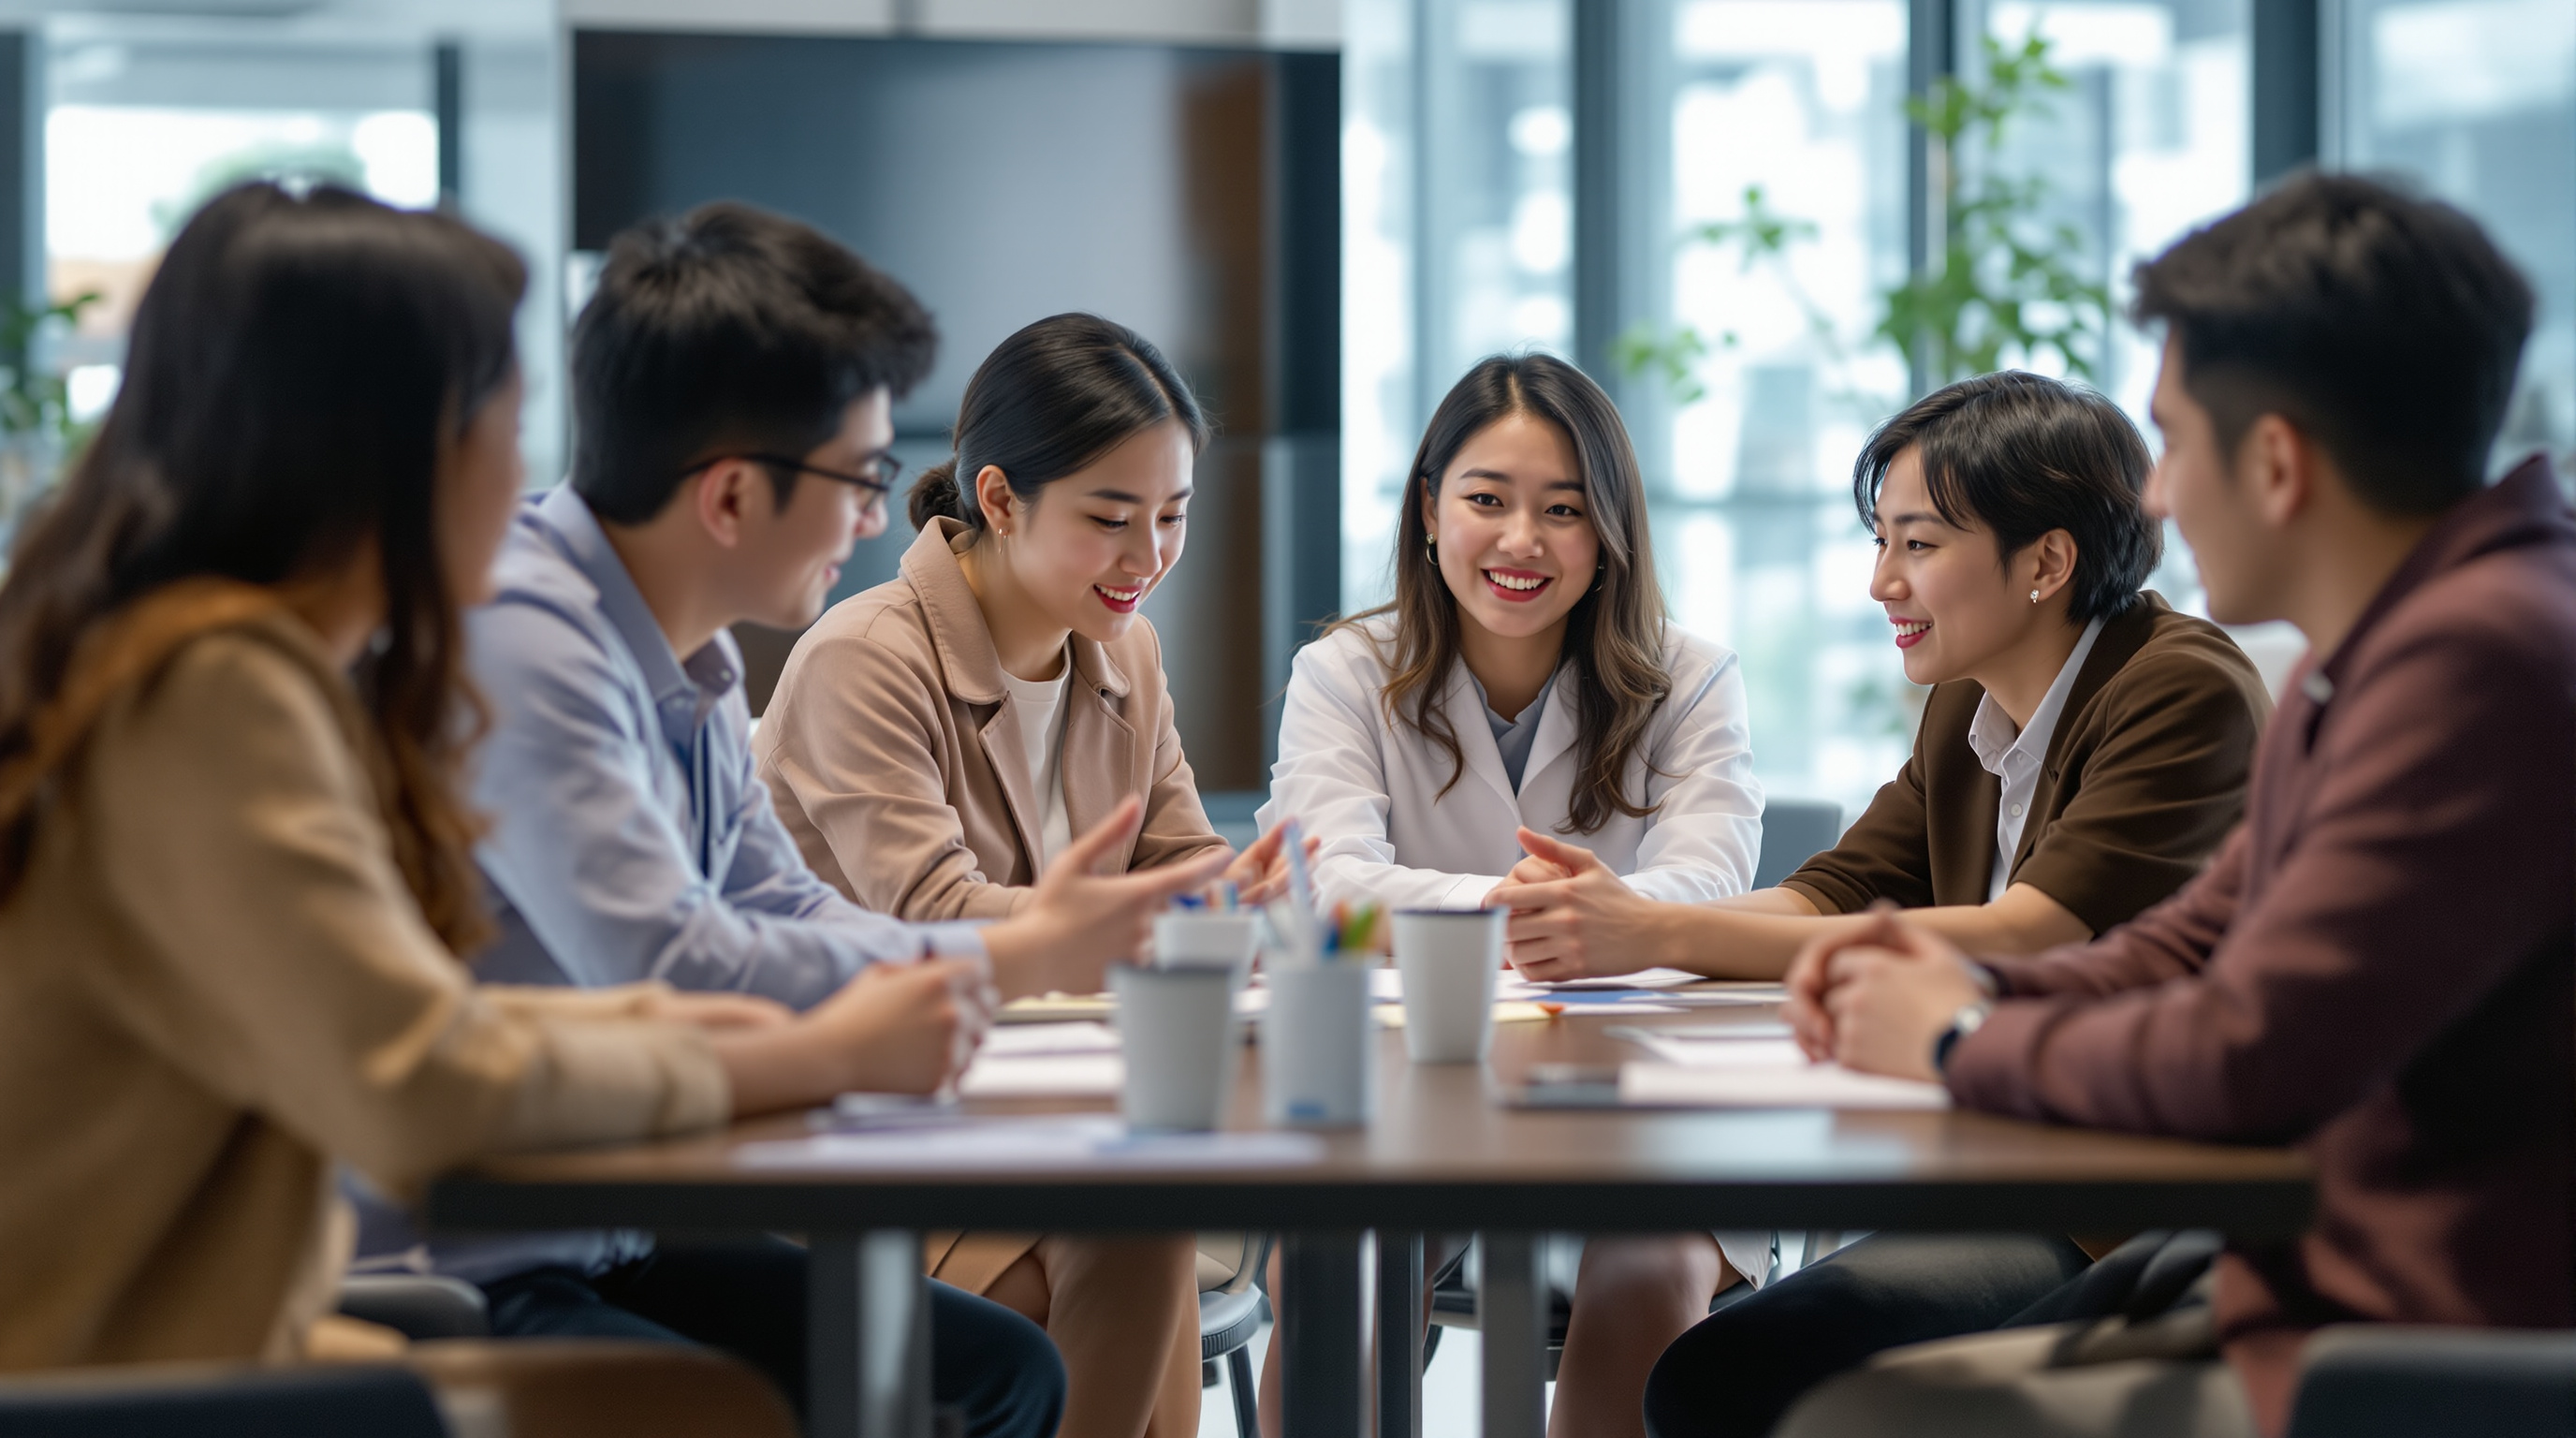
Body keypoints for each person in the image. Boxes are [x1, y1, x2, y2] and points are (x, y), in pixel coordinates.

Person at [0, 183, 1063, 1437]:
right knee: (714, 1412)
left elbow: (423, 1018)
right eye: (504, 420)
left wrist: (700, 1027)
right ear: (393, 450)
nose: (525, 475)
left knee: (935, 1373)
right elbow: (416, 1081)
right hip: (128, 1366)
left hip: (194, 1323)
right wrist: (809, 1052)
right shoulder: (217, 691)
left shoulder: (192, 662)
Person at [351, 206, 1222, 1432]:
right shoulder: (529, 644)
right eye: (861, 480)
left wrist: (1021, 948)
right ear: (730, 493)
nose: (878, 518)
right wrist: (1023, 951)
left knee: (1001, 1370)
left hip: (610, 1221)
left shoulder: (688, 651)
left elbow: (776, 906)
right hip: (462, 1250)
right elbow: (669, 958)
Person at [1752, 172, 2571, 1438]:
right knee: (1793, 1378)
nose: (2159, 499)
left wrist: (1957, 1040)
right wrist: (1947, 990)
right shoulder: (2379, 650)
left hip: (2417, 1331)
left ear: (2280, 462)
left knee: (1845, 1412)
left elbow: (2251, 1047)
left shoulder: (2482, 661)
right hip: (2293, 1271)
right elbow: (2193, 941)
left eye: (2175, 442)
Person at [1520, 372, 2274, 1438]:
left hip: (2129, 1219)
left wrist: (1655, 931)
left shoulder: (2179, 686)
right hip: (2001, 1172)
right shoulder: (1969, 702)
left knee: (1723, 1379)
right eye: (1881, 542)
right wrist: (1633, 928)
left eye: (1917, 545)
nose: (1882, 582)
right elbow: (1833, 891)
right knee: (1713, 1370)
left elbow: (2032, 929)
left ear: (2046, 563)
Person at [754, 310, 1284, 1438]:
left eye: (1173, 517)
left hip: (1057, 1116)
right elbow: (937, 914)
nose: (1147, 558)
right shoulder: (866, 658)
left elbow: (1184, 857)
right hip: (880, 1132)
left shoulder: (1124, 648)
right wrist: (1153, 917)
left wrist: (1238, 896)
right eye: (1110, 519)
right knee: (1121, 1259)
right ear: (998, 499)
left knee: (1146, 1228)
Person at [1252, 352, 1764, 1437]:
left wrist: (1600, 918)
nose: (1521, 541)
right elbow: (1325, 884)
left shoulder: (1693, 677)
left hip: (1646, 1099)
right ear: (1431, 510)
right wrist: (1528, 909)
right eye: (1487, 500)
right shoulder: (1345, 671)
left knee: (1645, 1271)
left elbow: (1711, 882)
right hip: (1411, 1088)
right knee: (1337, 1259)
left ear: (1609, 532)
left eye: (1563, 510)